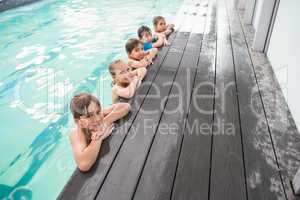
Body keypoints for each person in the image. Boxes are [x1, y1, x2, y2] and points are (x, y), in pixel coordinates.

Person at [69, 93, 130, 171]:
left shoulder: (98, 115)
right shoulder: (76, 134)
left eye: (98, 112)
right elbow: (84, 164)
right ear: (78, 122)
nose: (97, 119)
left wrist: (106, 122)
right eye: (89, 116)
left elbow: (126, 106)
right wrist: (98, 138)